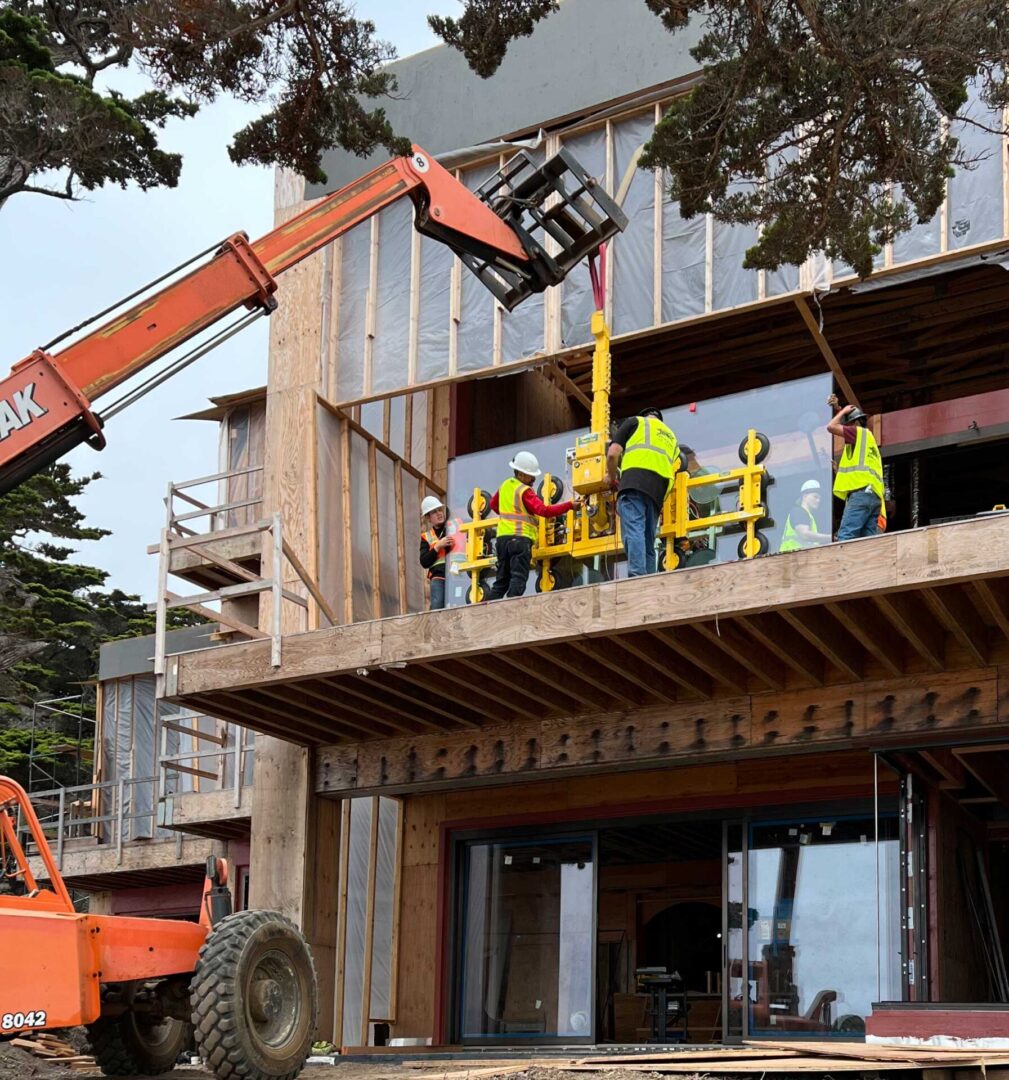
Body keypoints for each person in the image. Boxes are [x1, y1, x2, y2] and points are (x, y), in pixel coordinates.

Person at [488, 450, 581, 600]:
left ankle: (486, 610)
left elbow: (493, 505)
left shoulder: (505, 485)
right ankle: (511, 608)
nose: (533, 479)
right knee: (518, 577)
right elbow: (543, 510)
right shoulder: (525, 491)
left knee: (501, 582)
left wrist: (512, 513)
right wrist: (569, 505)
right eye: (531, 475)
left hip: (502, 541)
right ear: (521, 474)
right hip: (520, 540)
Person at [607, 407, 680, 577]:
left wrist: (610, 477)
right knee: (648, 539)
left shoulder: (635, 422)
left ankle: (637, 575)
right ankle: (648, 577)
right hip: (657, 492)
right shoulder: (671, 437)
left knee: (634, 530)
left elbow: (612, 454)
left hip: (634, 483)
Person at [827, 400, 885, 540]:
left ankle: (842, 562)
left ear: (853, 423)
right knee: (866, 541)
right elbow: (860, 468)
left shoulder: (858, 433)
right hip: (874, 497)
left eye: (847, 425)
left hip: (861, 495)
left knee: (845, 536)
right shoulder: (867, 440)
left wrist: (843, 411)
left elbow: (831, 427)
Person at [419, 495, 455, 610]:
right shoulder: (426, 537)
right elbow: (424, 561)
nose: (439, 513)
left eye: (440, 510)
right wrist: (437, 546)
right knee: (437, 610)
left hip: (456, 575)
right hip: (439, 578)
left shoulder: (453, 527)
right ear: (428, 518)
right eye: (434, 512)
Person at [779, 479, 832, 551]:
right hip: (791, 555)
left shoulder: (808, 515)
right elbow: (805, 534)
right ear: (805, 496)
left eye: (819, 498)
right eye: (815, 497)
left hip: (798, 556)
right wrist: (829, 537)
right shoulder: (798, 512)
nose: (818, 500)